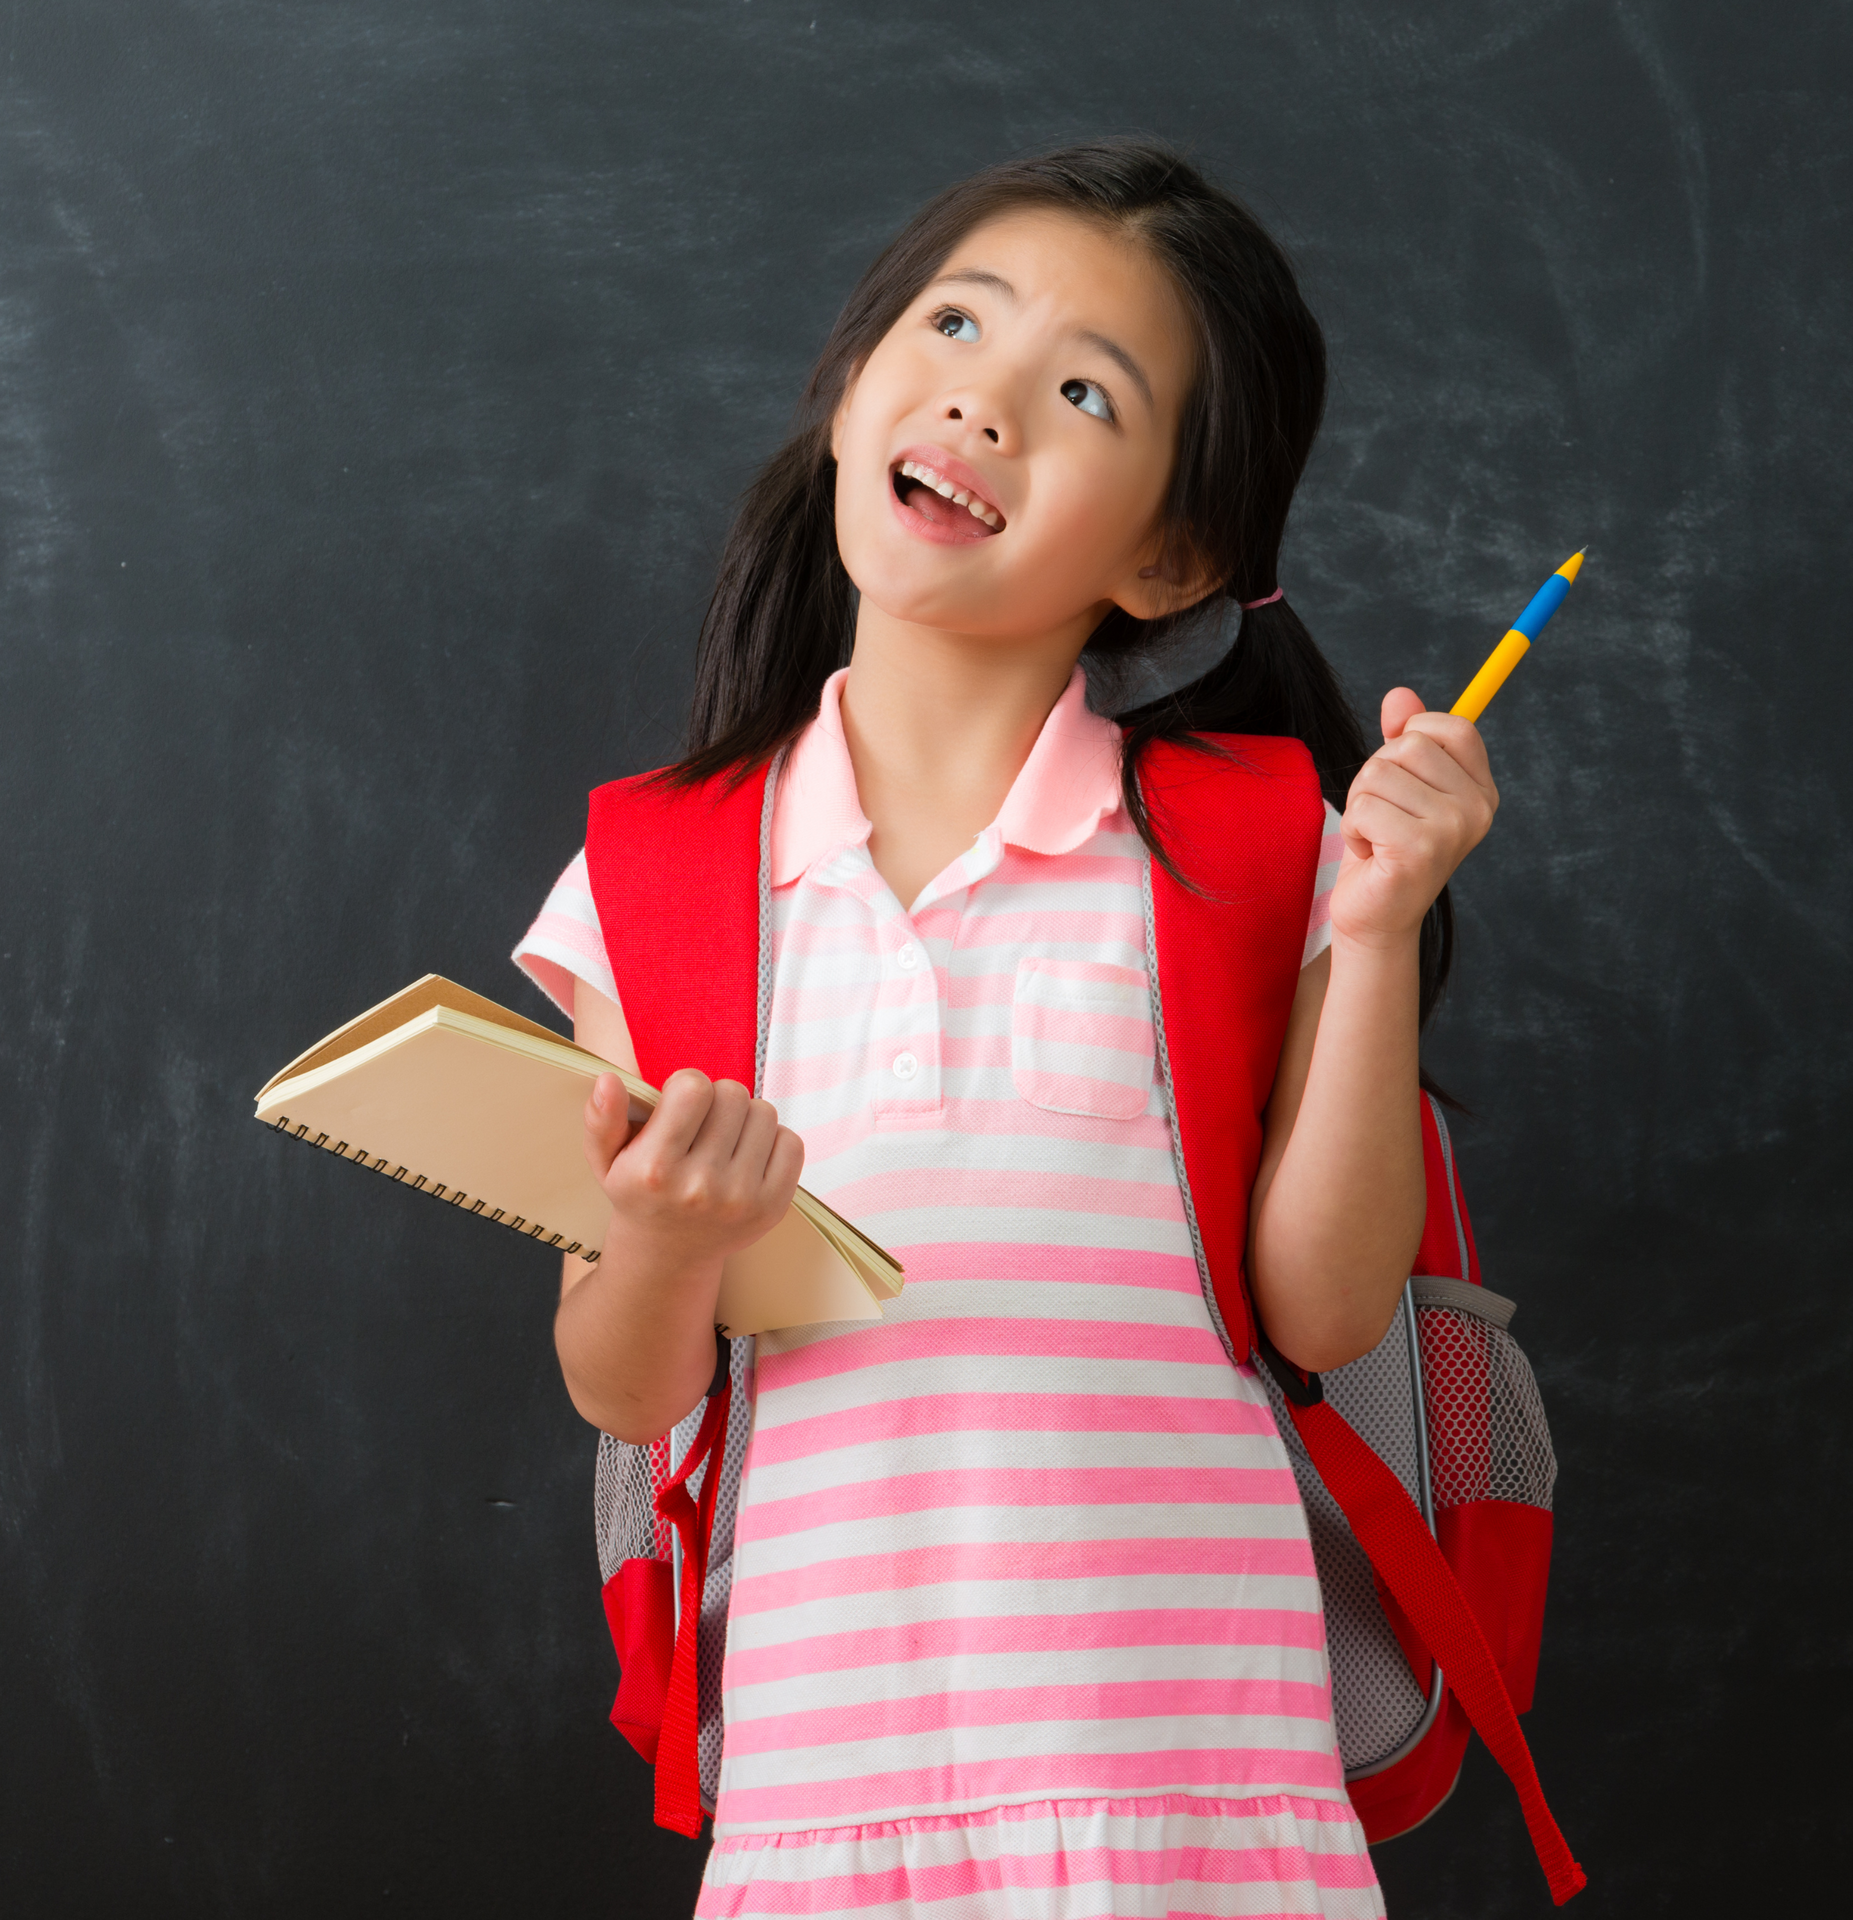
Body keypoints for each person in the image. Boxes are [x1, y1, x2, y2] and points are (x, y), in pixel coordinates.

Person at [514, 139, 1496, 1920]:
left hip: (1200, 1791)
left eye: (1081, 393)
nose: (982, 401)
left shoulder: (1261, 841)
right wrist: (661, 1240)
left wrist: (1372, 936)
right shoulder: (650, 876)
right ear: (849, 395)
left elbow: (1328, 1312)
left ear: (1171, 554)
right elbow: (625, 1383)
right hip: (829, 1802)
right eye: (956, 322)